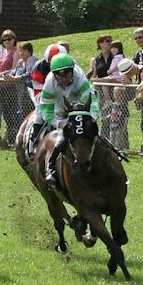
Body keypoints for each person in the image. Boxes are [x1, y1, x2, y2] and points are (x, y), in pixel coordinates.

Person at [34, 52, 101, 185]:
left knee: (90, 131)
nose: (64, 79)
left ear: (72, 71)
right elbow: (46, 111)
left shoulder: (80, 77)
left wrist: (91, 117)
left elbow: (92, 100)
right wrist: (60, 124)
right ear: (54, 75)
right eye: (60, 76)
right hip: (60, 113)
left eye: (67, 75)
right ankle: (50, 169)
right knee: (62, 138)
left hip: (81, 110)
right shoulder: (49, 83)